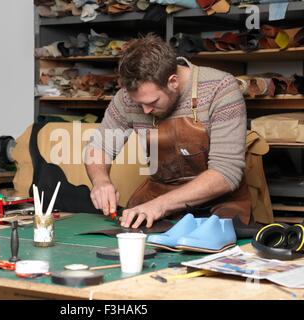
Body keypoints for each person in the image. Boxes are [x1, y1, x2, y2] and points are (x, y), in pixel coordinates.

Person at [84, 34, 251, 229]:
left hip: (220, 205)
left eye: (152, 103)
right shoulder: (127, 98)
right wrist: (101, 181)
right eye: (139, 104)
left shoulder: (220, 88)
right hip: (157, 199)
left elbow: (226, 173)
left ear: (173, 81)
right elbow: (99, 147)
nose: (144, 110)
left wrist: (160, 205)